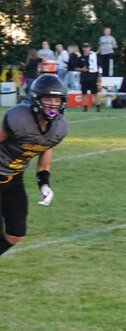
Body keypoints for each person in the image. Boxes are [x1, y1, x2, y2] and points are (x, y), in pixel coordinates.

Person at [0, 75, 67, 257]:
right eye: (48, 98)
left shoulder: (59, 128)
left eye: (57, 99)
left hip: (14, 178)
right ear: (36, 99)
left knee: (15, 234)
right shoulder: (18, 118)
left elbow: (45, 154)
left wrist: (44, 185)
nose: (53, 104)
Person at [73, 43, 100, 112]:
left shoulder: (93, 57)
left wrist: (99, 77)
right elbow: (76, 68)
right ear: (82, 48)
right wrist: (82, 69)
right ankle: (85, 107)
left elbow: (98, 66)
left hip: (92, 76)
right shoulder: (80, 58)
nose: (86, 49)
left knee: (95, 93)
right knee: (84, 93)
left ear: (90, 48)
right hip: (84, 77)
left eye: (87, 47)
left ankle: (97, 106)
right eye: (85, 47)